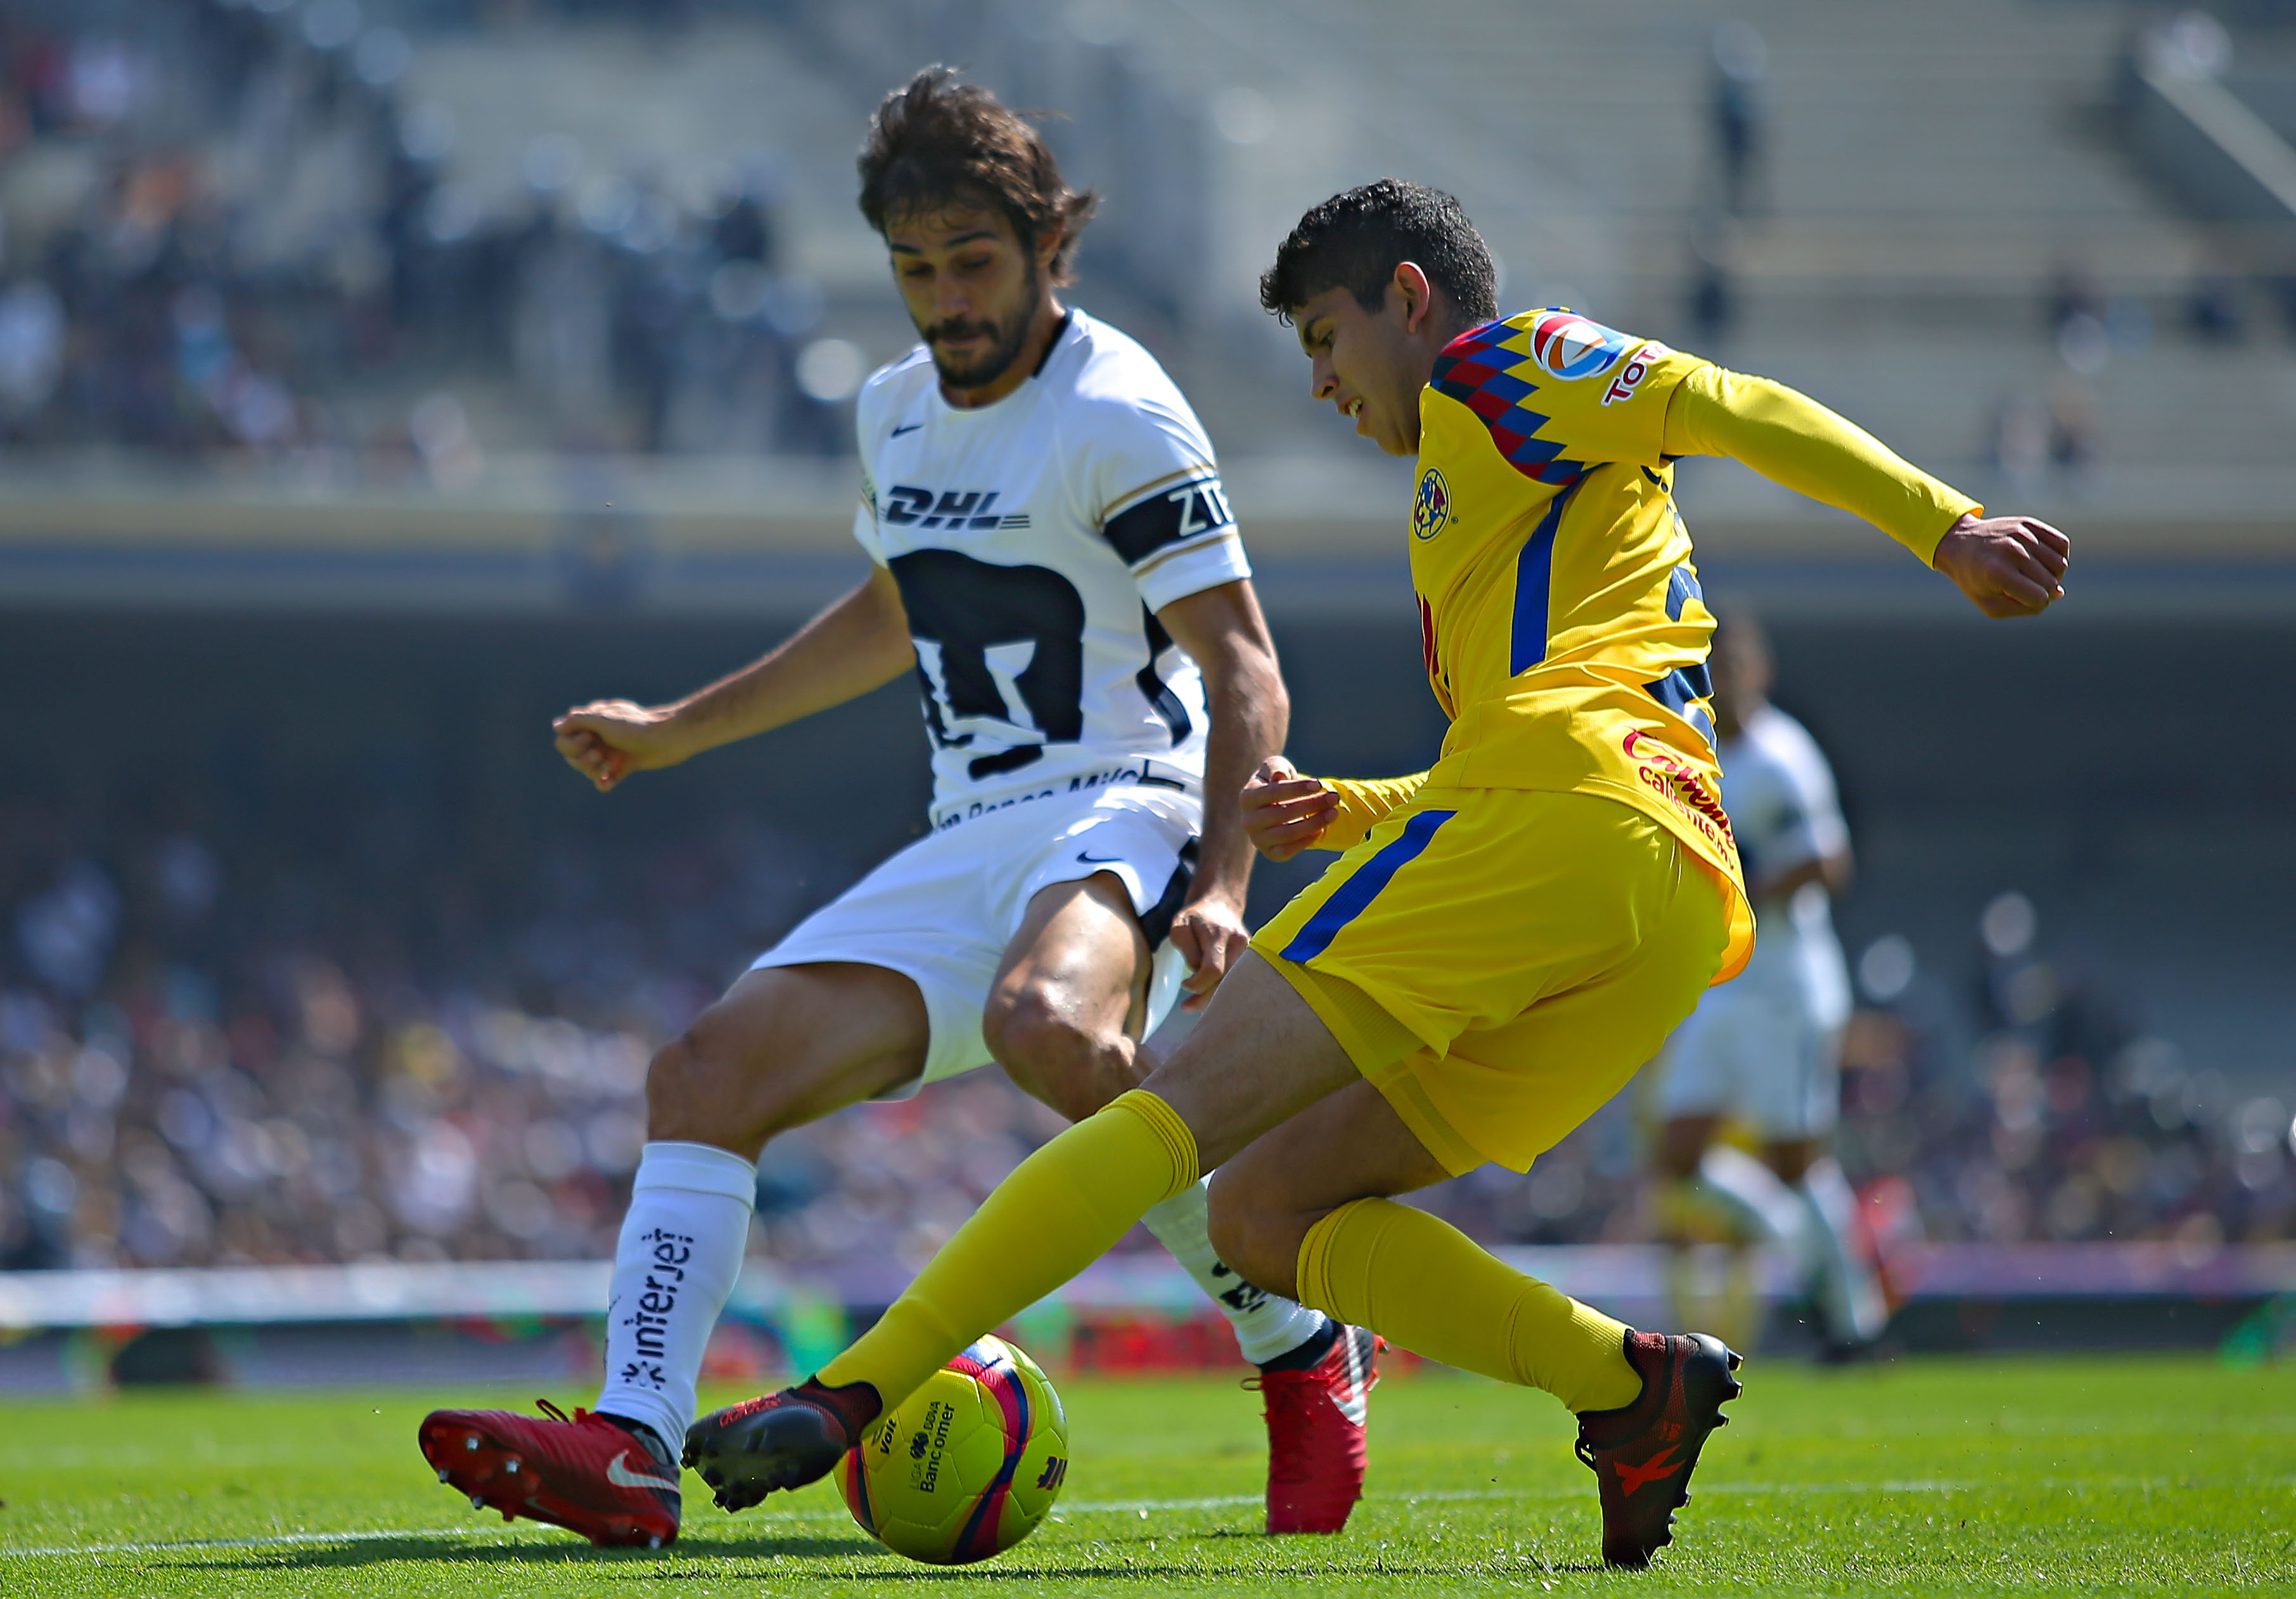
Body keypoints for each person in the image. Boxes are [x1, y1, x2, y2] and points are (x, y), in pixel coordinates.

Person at [682, 179, 2068, 1570]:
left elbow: (1725, 400)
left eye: (1326, 342)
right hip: (1651, 907)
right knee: (1268, 1210)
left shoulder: (1501, 366)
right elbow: (1513, 747)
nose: (1322, 384)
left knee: (1168, 1109)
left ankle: (852, 1387)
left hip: (1572, 816)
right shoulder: (1472, 498)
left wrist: (1943, 526)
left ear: (1408, 299)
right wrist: (1356, 807)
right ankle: (1625, 1385)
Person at [417, 69, 1382, 1549]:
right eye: (914, 269)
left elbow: (1244, 663)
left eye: (973, 263)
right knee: (703, 1075)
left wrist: (1223, 877)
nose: (944, 300)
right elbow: (893, 617)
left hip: (1118, 802)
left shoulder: (1116, 408)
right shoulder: (890, 415)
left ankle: (1295, 1339)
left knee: (1047, 1030)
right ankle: (631, 1445)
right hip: (966, 833)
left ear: (1048, 245)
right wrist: (676, 731)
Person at [1648, 612, 1889, 1360]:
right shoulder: (1695, 751)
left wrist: (1744, 886)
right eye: (1707, 665)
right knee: (1677, 1156)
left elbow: (1829, 863)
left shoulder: (1785, 758)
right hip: (1722, 984)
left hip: (1786, 988)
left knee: (1795, 1161)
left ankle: (1858, 1324)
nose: (1718, 678)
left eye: (1732, 663)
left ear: (1759, 671)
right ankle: (1802, 1250)